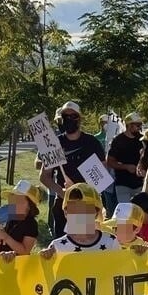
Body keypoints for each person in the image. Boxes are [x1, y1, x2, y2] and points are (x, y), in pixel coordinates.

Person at [39, 100, 106, 239]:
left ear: (79, 118)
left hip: (87, 205)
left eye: (73, 116)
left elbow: (102, 176)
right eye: (65, 116)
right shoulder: (54, 144)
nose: (69, 119)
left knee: (85, 243)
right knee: (63, 245)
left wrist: (83, 191)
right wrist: (62, 192)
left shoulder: (92, 143)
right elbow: (44, 176)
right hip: (64, 205)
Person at [41, 183, 119, 255]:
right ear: (66, 213)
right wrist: (46, 257)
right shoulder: (57, 247)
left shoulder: (111, 242)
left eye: (85, 210)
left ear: (96, 212)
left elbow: (123, 267)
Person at [0, 179, 41, 256]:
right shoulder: (6, 216)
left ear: (29, 205)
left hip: (18, 264)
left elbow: (25, 251)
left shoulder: (31, 224)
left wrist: (6, 237)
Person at [107, 111, 145, 204]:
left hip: (140, 184)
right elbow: (110, 162)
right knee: (126, 213)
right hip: (122, 183)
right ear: (129, 125)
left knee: (139, 213)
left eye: (140, 125)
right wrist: (126, 167)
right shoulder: (118, 140)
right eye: (137, 125)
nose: (140, 128)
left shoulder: (143, 139)